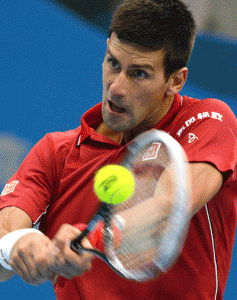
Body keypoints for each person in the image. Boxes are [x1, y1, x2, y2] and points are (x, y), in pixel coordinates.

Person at [0, 0, 236, 299]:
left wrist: (92, 239)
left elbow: (170, 205)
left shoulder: (207, 121)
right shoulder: (56, 152)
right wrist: (18, 246)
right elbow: (5, 230)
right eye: (113, 63)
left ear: (176, 80)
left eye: (139, 73)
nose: (116, 88)